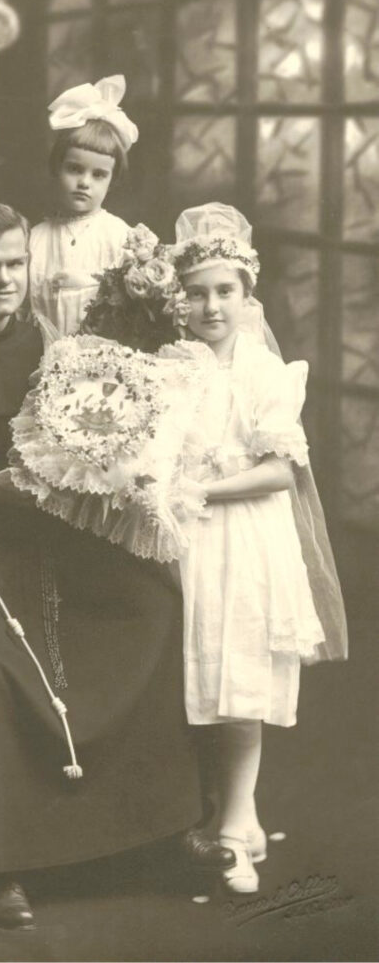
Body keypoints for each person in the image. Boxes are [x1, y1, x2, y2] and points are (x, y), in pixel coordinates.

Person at [0, 199, 230, 930]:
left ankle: (149, 833)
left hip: (41, 531)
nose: (3, 281)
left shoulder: (50, 343)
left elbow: (81, 439)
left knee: (149, 604)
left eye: (15, 265)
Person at [158, 204, 348, 894]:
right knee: (194, 674)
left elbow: (278, 470)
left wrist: (202, 489)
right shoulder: (166, 366)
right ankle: (225, 812)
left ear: (247, 297)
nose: (209, 306)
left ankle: (235, 828)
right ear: (176, 300)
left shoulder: (264, 371)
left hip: (240, 536)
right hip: (179, 537)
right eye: (196, 292)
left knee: (236, 677)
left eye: (223, 291)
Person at [28, 75, 136, 337]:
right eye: (75, 169)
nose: (84, 183)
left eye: (98, 174)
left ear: (112, 181)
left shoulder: (120, 236)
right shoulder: (35, 238)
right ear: (57, 168)